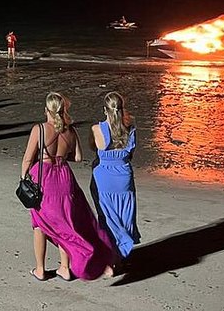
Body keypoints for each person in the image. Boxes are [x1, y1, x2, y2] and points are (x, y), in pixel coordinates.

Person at [21, 92, 115, 282]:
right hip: (64, 178)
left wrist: (24, 179)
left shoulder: (39, 129)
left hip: (44, 179)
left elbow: (27, 159)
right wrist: (61, 158)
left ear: (47, 110)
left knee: (40, 224)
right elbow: (78, 157)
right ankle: (64, 267)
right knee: (64, 224)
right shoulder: (70, 131)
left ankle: (40, 269)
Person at [90, 91, 141, 264]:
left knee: (107, 217)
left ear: (105, 110)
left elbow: (94, 147)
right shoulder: (130, 129)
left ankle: (110, 255)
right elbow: (131, 154)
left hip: (104, 176)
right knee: (124, 215)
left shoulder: (97, 129)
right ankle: (119, 253)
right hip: (124, 176)